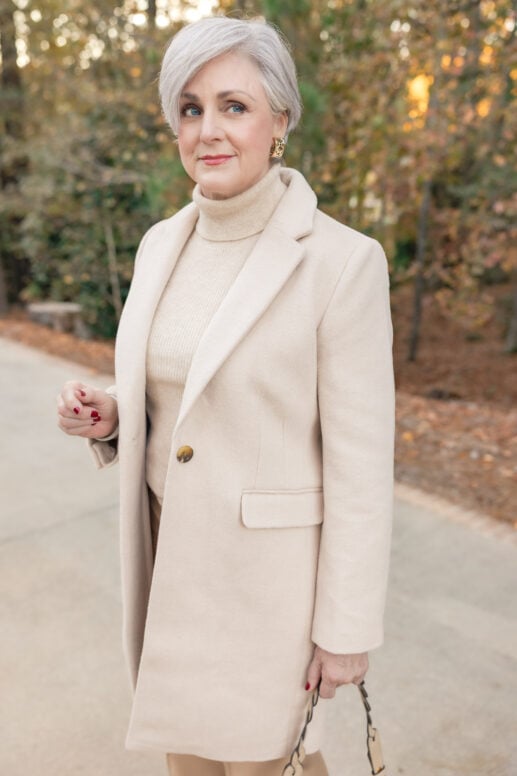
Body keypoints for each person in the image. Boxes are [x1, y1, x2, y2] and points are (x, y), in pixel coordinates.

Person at [57, 15, 394, 776]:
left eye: (233, 106)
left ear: (280, 120)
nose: (208, 129)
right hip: (169, 570)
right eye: (190, 107)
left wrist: (345, 628)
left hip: (268, 596)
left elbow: (362, 465)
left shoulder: (342, 263)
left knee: (267, 764)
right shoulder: (159, 243)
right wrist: (113, 410)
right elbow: (184, 380)